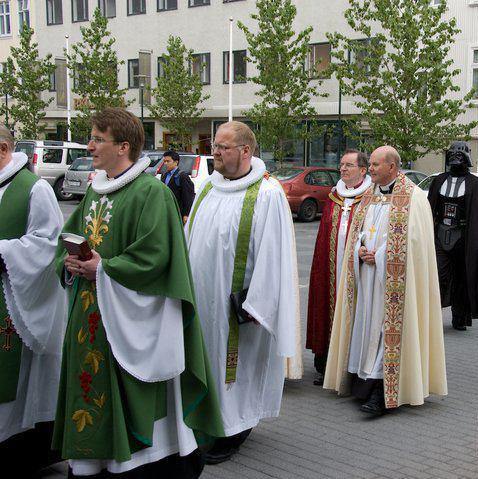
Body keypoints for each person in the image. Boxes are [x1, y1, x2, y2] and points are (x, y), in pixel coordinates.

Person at [54, 108, 224, 477]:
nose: (90, 145)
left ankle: (132, 459)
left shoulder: (151, 193)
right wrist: (69, 264)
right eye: (92, 137)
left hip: (130, 318)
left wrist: (104, 268)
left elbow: (156, 258)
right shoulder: (95, 192)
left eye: (98, 138)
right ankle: (90, 459)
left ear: (124, 146)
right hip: (90, 315)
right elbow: (65, 241)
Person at [185, 121, 300, 464]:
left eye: (222, 147)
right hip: (202, 298)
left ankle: (234, 430)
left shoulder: (267, 193)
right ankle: (208, 421)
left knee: (233, 369)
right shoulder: (206, 187)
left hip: (240, 305)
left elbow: (275, 254)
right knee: (207, 362)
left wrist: (257, 304)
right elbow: (192, 236)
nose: (215, 152)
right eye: (215, 146)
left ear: (245, 151)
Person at [324, 145, 447, 416]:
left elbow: (415, 244)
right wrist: (359, 250)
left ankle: (382, 391)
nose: (370, 169)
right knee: (367, 327)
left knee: (385, 332)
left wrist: (379, 255)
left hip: (394, 284)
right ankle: (362, 384)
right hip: (367, 279)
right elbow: (359, 233)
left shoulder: (414, 198)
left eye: (376, 165)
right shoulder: (368, 196)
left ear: (392, 167)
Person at [0, 127, 65, 471]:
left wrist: (4, 252)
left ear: (4, 148)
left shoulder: (34, 188)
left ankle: (22, 448)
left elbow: (47, 243)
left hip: (17, 303)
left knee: (20, 379)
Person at [306, 149, 372, 385]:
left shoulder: (371, 197)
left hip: (358, 269)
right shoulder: (335, 196)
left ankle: (352, 366)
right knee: (327, 305)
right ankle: (325, 364)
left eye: (349, 165)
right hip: (331, 265)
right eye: (341, 164)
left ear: (363, 170)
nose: (342, 168)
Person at [427, 141, 478, 331]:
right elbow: (429, 207)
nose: (456, 159)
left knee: (462, 277)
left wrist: (475, 244)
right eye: (453, 155)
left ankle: (459, 317)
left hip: (463, 237)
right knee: (438, 275)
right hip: (440, 234)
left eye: (460, 156)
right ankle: (433, 315)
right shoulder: (439, 180)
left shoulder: (475, 184)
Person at [160, 151, 195, 224]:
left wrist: (186, 214)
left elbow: (187, 196)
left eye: (168, 161)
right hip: (166, 211)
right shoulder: (164, 175)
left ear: (176, 162)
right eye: (164, 161)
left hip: (178, 212)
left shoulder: (182, 176)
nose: (165, 163)